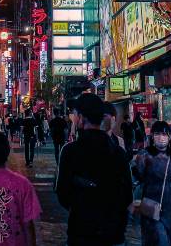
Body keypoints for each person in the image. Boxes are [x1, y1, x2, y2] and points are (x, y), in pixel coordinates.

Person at [56, 94, 133, 246]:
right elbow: (127, 195)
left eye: (75, 114)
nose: (74, 118)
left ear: (81, 118)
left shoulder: (70, 152)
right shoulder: (118, 152)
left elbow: (63, 194)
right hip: (113, 233)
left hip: (81, 232)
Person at [133, 121, 171, 246]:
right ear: (152, 136)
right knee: (157, 237)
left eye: (164, 134)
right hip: (151, 202)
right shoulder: (144, 155)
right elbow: (135, 177)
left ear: (169, 137)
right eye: (157, 134)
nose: (161, 137)